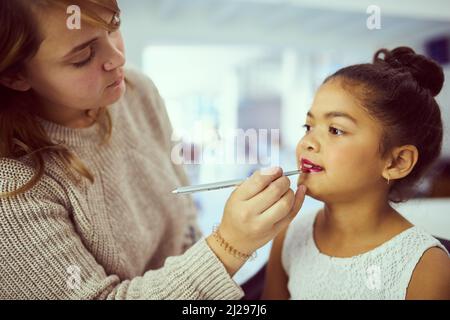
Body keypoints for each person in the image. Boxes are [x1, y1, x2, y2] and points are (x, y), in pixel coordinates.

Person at [0, 0, 307, 299]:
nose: (117, 58)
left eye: (113, 27)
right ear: (15, 76)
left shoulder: (135, 89)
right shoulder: (11, 191)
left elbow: (183, 211)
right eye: (83, 56)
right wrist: (230, 244)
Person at [262, 47, 450, 300]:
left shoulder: (427, 267)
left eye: (335, 130)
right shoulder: (288, 236)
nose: (307, 142)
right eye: (308, 126)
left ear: (397, 162)